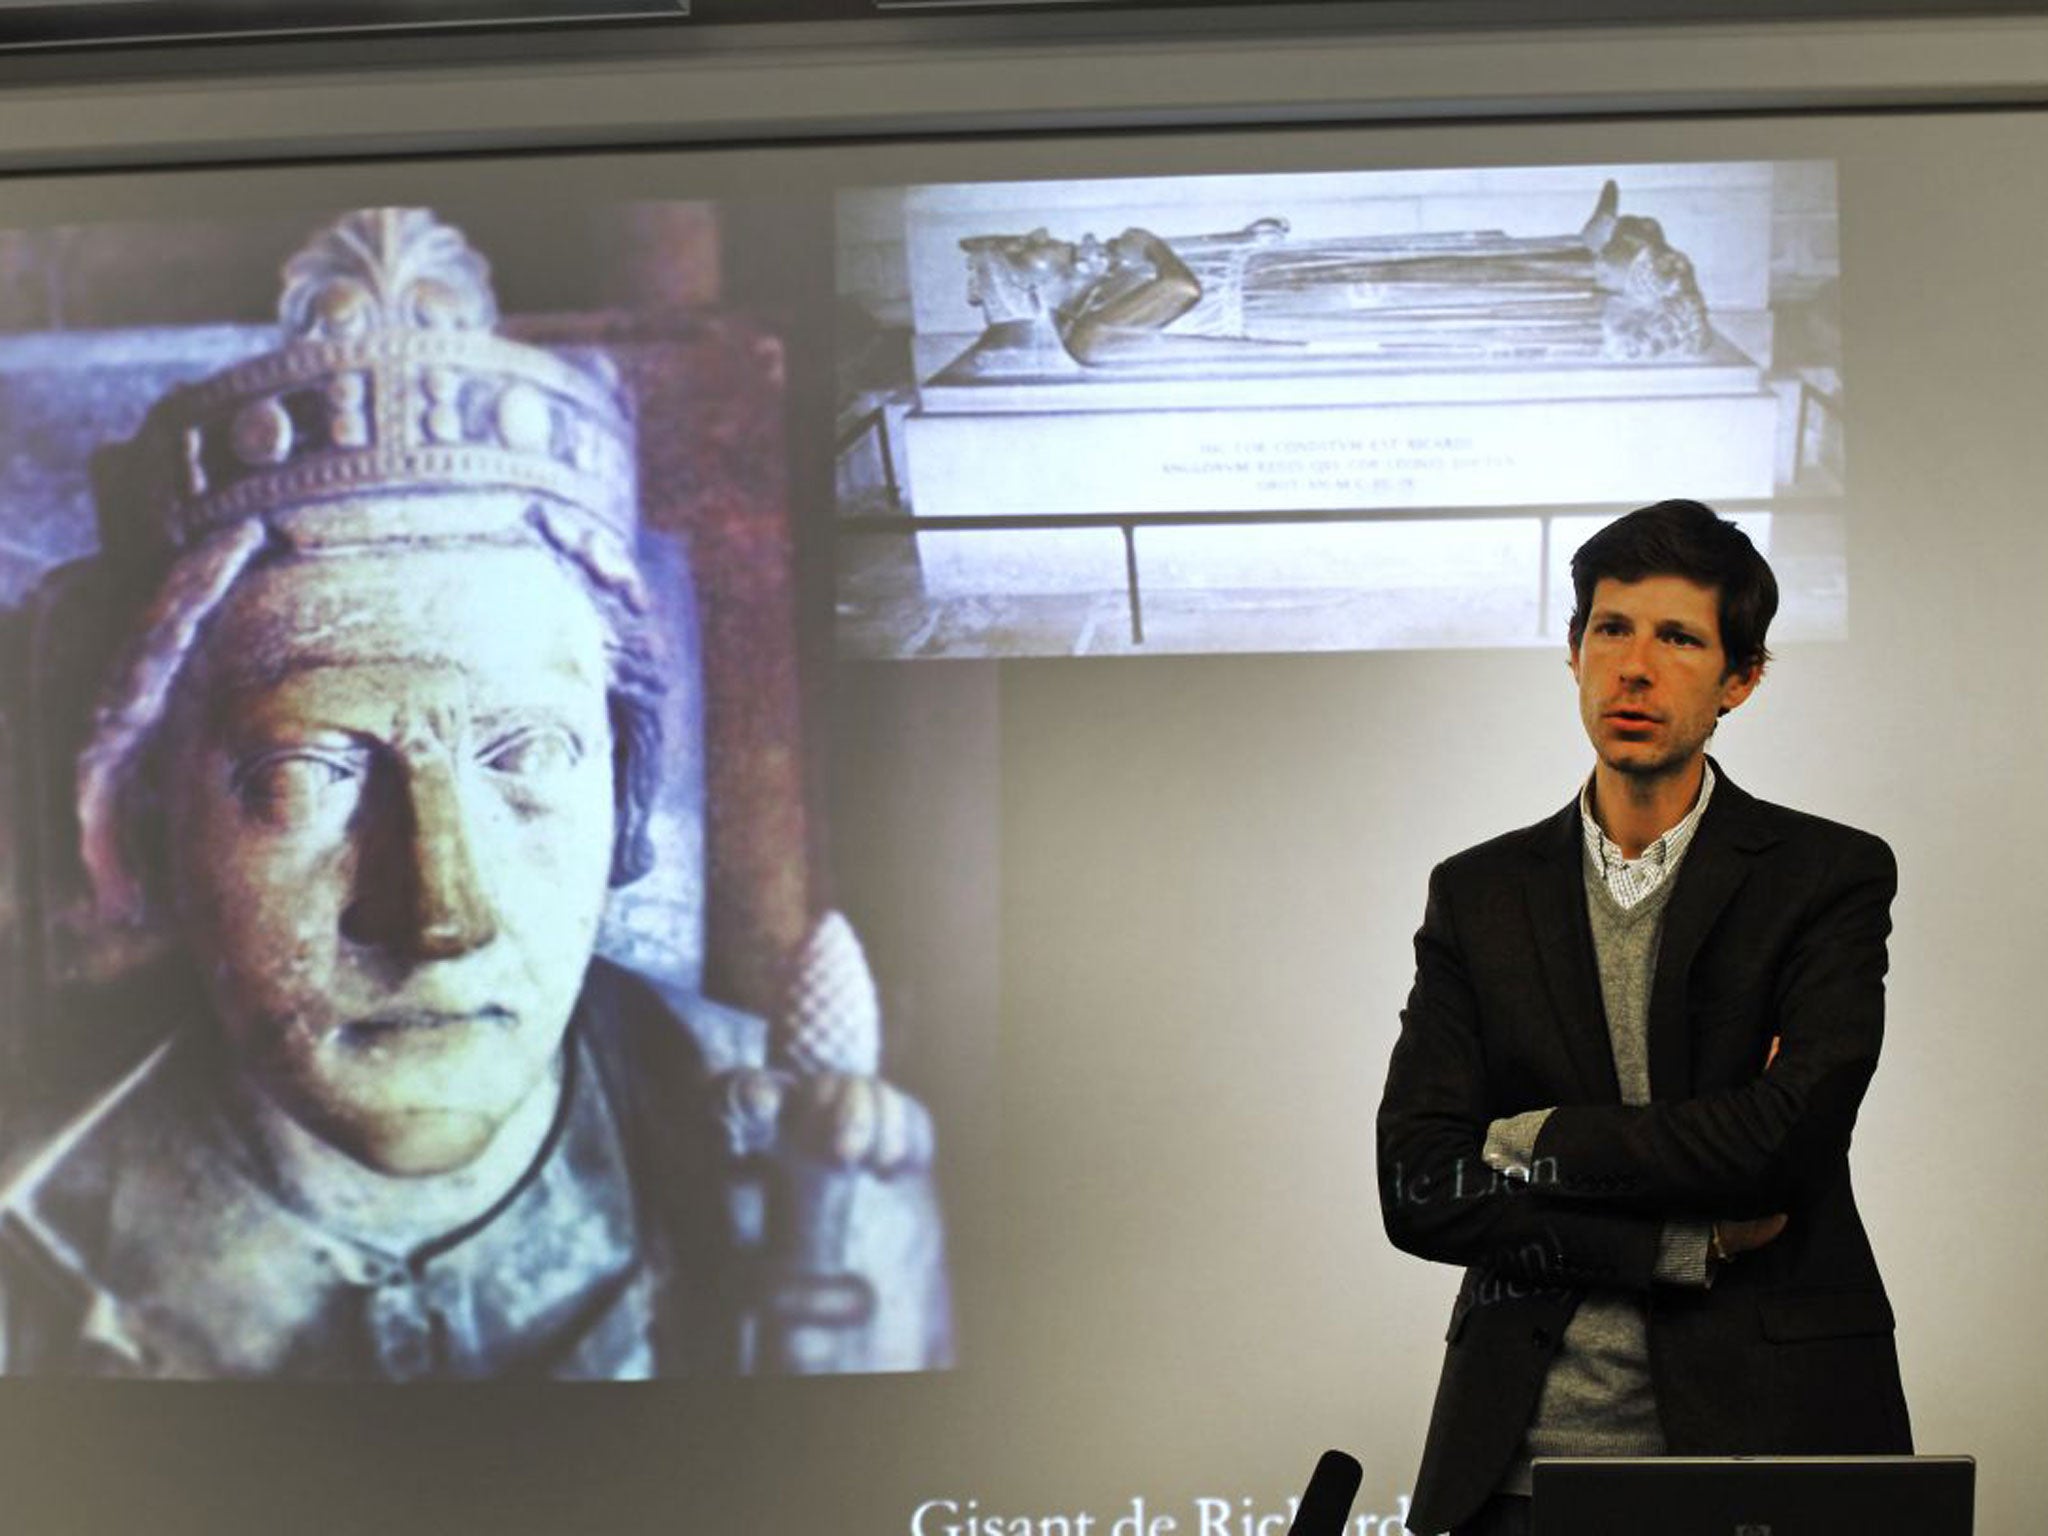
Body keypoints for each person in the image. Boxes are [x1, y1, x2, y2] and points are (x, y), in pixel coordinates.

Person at [0, 207, 951, 1379]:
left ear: (625, 801)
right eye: (308, 772)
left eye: (527, 760)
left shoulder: (802, 1170)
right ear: (144, 819)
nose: (440, 913)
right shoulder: (27, 1246)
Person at [1377, 499, 1910, 1536]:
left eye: (1677, 638)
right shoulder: (1477, 893)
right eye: (1611, 630)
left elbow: (1779, 1148)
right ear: (1572, 651)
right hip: (1519, 1464)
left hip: (1767, 1443)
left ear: (1738, 680)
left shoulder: (1825, 876)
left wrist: (1536, 1138)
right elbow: (1417, 1185)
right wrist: (1679, 1243)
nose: (1634, 666)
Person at [955, 180, 1711, 371]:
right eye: (1038, 248)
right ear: (1030, 284)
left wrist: (1237, 233)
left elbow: (1189, 264)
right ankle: (1595, 300)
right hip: (1290, 306)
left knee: (1432, 257)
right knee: (1448, 294)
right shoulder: (1086, 327)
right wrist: (1147, 238)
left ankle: (1576, 251)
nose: (1054, 241)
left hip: (1277, 274)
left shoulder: (1094, 285)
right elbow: (1180, 289)